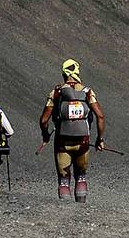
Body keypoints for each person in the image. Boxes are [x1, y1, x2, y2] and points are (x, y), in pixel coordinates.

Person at [39, 58, 106, 203]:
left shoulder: (56, 92)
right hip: (83, 141)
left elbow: (44, 120)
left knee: (64, 179)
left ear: (64, 73)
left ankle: (65, 212)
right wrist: (100, 139)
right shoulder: (87, 92)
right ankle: (81, 210)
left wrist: (46, 135)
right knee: (81, 175)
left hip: (62, 141)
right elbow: (100, 116)